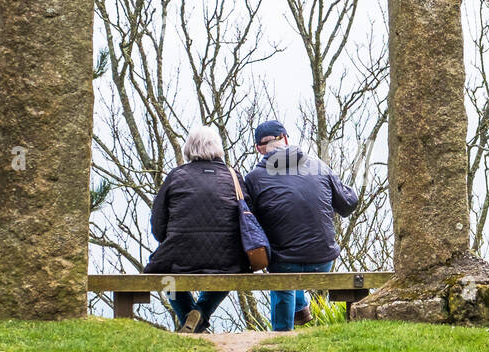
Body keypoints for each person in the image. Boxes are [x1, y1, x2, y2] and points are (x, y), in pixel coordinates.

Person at [243, 119, 359, 331]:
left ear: (259, 149)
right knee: (290, 262)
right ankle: (300, 311)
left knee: (284, 271)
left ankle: (281, 334)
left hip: (284, 264)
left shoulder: (254, 178)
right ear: (286, 139)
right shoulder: (319, 167)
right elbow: (348, 204)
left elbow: (250, 224)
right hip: (323, 260)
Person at [144, 126, 246, 333]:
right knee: (234, 270)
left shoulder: (176, 176)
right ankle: (200, 315)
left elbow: (158, 222)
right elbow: (247, 219)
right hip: (227, 256)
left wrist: (171, 240)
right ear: (219, 149)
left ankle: (192, 320)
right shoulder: (233, 177)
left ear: (189, 149)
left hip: (180, 252)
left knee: (165, 278)